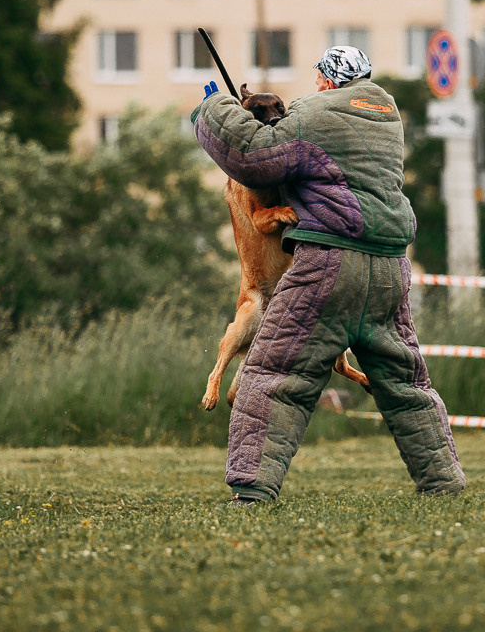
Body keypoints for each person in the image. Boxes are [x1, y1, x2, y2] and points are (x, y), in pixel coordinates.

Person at [191, 45, 466, 504]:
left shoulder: (314, 114)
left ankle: (253, 486)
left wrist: (215, 107)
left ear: (328, 79)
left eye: (320, 75)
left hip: (330, 265)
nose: (315, 83)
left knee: (274, 373)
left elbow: (253, 154)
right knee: (405, 383)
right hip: (390, 269)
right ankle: (443, 481)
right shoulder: (385, 114)